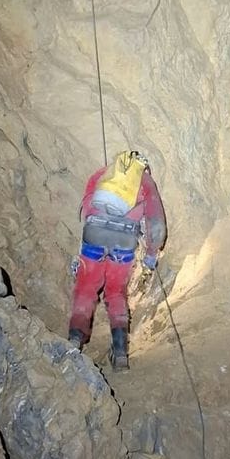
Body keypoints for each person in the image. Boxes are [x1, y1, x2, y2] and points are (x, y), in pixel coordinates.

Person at [68, 151, 167, 370]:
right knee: (115, 293)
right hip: (124, 241)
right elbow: (156, 224)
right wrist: (150, 256)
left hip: (93, 234)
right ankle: (120, 353)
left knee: (86, 289)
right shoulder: (145, 181)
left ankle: (74, 342)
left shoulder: (102, 175)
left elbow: (86, 207)